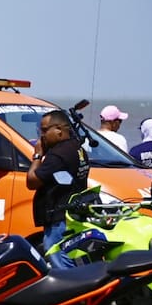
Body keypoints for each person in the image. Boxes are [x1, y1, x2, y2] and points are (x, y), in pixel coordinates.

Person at [27, 110, 90, 269]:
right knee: (72, 256)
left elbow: (32, 181)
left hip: (59, 217)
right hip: (73, 214)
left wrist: (37, 156)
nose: (41, 135)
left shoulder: (58, 155)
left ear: (59, 130)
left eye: (44, 130)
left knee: (57, 255)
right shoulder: (77, 148)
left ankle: (72, 290)